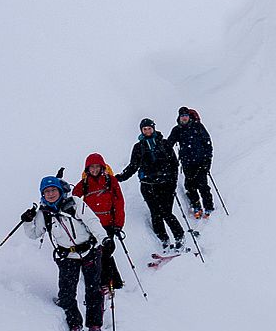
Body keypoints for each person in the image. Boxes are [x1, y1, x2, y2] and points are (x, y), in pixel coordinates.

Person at [21, 175, 109, 331]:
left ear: (60, 190)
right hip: (67, 257)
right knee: (66, 295)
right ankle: (75, 326)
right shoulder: (43, 213)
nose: (51, 194)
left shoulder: (75, 203)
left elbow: (92, 222)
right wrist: (27, 221)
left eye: (53, 190)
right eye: (46, 191)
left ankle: (94, 325)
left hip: (89, 251)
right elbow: (34, 234)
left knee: (93, 290)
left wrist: (104, 239)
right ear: (42, 194)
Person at [118, 118, 184, 251]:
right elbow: (133, 165)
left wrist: (173, 182)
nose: (147, 131)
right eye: (144, 129)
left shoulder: (164, 144)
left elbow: (174, 164)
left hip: (166, 184)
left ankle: (179, 236)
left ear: (153, 128)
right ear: (141, 131)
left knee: (166, 212)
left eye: (149, 128)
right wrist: (120, 177)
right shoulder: (138, 147)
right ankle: (163, 239)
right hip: (148, 185)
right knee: (155, 213)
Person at [72, 153, 126, 292]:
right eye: (91, 167)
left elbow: (119, 203)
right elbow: (74, 198)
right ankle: (114, 281)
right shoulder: (84, 183)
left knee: (105, 252)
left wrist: (118, 225)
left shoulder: (111, 181)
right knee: (99, 252)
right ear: (87, 169)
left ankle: (107, 282)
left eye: (97, 166)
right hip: (91, 225)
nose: (94, 170)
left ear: (102, 167)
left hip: (108, 223)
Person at [167, 107, 214, 219]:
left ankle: (208, 206)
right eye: (182, 116)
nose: (184, 118)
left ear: (189, 117)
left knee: (203, 185)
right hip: (187, 163)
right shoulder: (177, 130)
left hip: (201, 161)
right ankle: (196, 206)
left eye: (186, 116)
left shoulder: (198, 127)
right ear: (179, 117)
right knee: (190, 185)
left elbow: (207, 143)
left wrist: (208, 160)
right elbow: (169, 144)